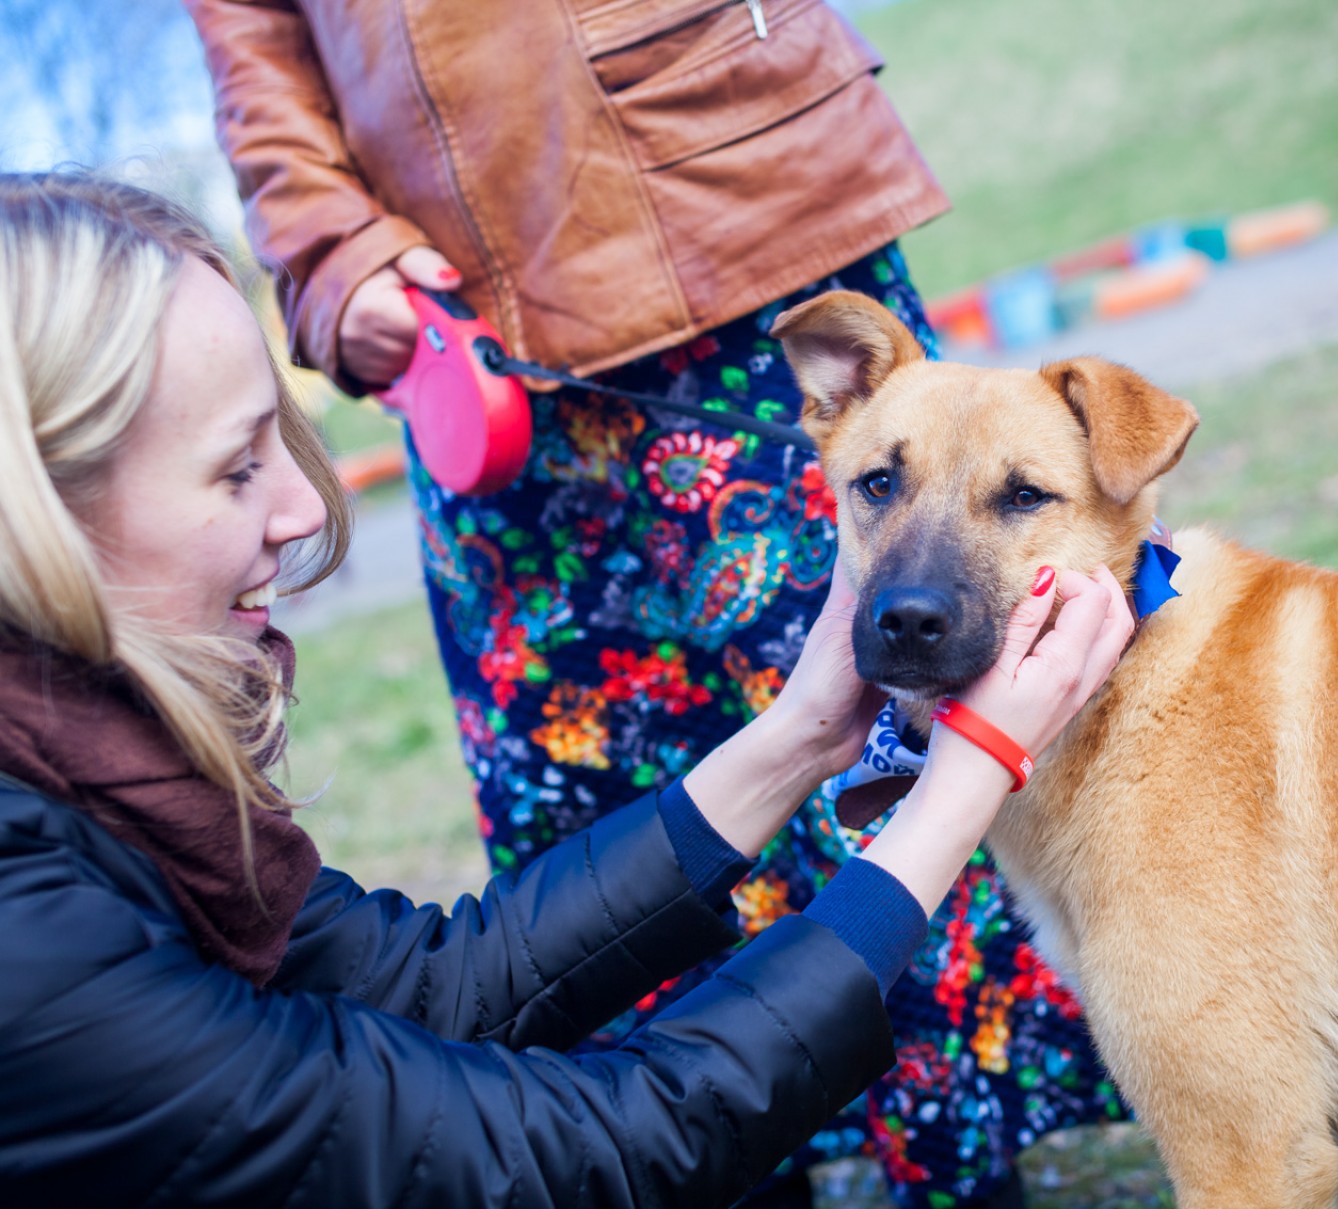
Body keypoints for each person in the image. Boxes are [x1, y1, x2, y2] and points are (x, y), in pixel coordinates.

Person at [0, 172, 1135, 1208]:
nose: (303, 511)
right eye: (237, 465)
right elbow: (585, 1157)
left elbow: (432, 989)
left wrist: (798, 735)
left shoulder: (90, 767)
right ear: (35, 516)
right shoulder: (29, 934)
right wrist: (964, 778)